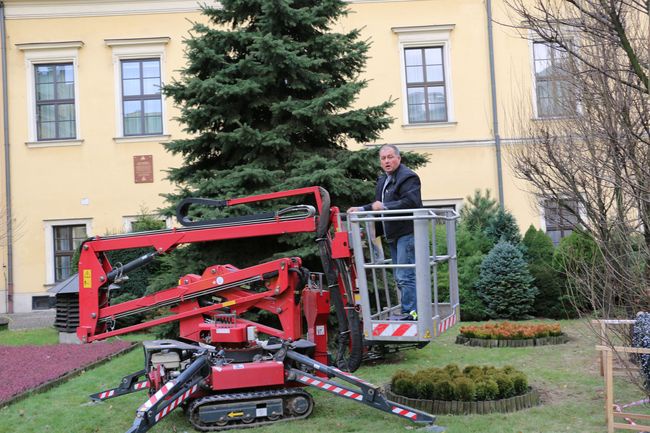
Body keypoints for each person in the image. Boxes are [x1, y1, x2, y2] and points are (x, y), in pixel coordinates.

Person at [348, 144, 422, 321]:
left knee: (405, 275)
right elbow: (377, 204)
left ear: (399, 158)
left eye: (390, 157)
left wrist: (386, 206)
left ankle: (411, 314)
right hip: (393, 234)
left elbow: (411, 202)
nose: (387, 161)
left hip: (406, 232)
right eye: (383, 158)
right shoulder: (383, 180)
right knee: (399, 275)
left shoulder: (408, 177)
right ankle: (408, 311)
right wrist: (360, 208)